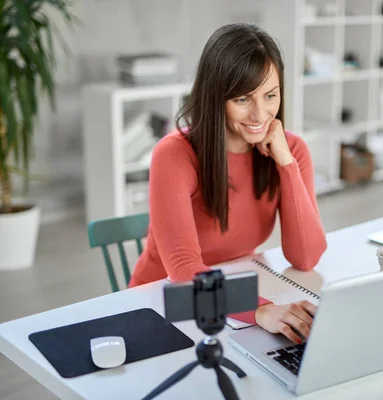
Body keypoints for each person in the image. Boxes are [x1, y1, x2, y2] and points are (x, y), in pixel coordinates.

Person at [128, 23, 327, 344]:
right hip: (163, 302)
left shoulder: (290, 149)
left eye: (270, 95)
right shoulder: (175, 154)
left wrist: (286, 165)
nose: (260, 114)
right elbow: (181, 266)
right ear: (215, 96)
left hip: (234, 292)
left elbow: (305, 257)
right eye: (243, 99)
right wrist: (259, 310)